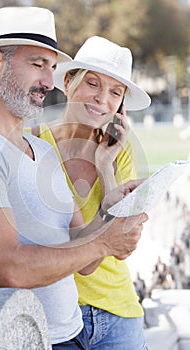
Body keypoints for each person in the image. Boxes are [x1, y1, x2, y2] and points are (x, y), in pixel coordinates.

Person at [0, 8, 148, 349]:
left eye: (51, 67)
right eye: (37, 64)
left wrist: (107, 213)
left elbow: (85, 260)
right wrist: (106, 241)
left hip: (69, 332)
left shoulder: (39, 151)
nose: (48, 82)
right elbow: (9, 270)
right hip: (29, 337)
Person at [32, 36, 151, 349]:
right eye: (93, 84)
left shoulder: (119, 153)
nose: (102, 99)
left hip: (117, 315)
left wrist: (105, 167)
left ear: (121, 105)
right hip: (56, 319)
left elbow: (115, 247)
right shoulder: (33, 144)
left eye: (115, 92)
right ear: (69, 81)